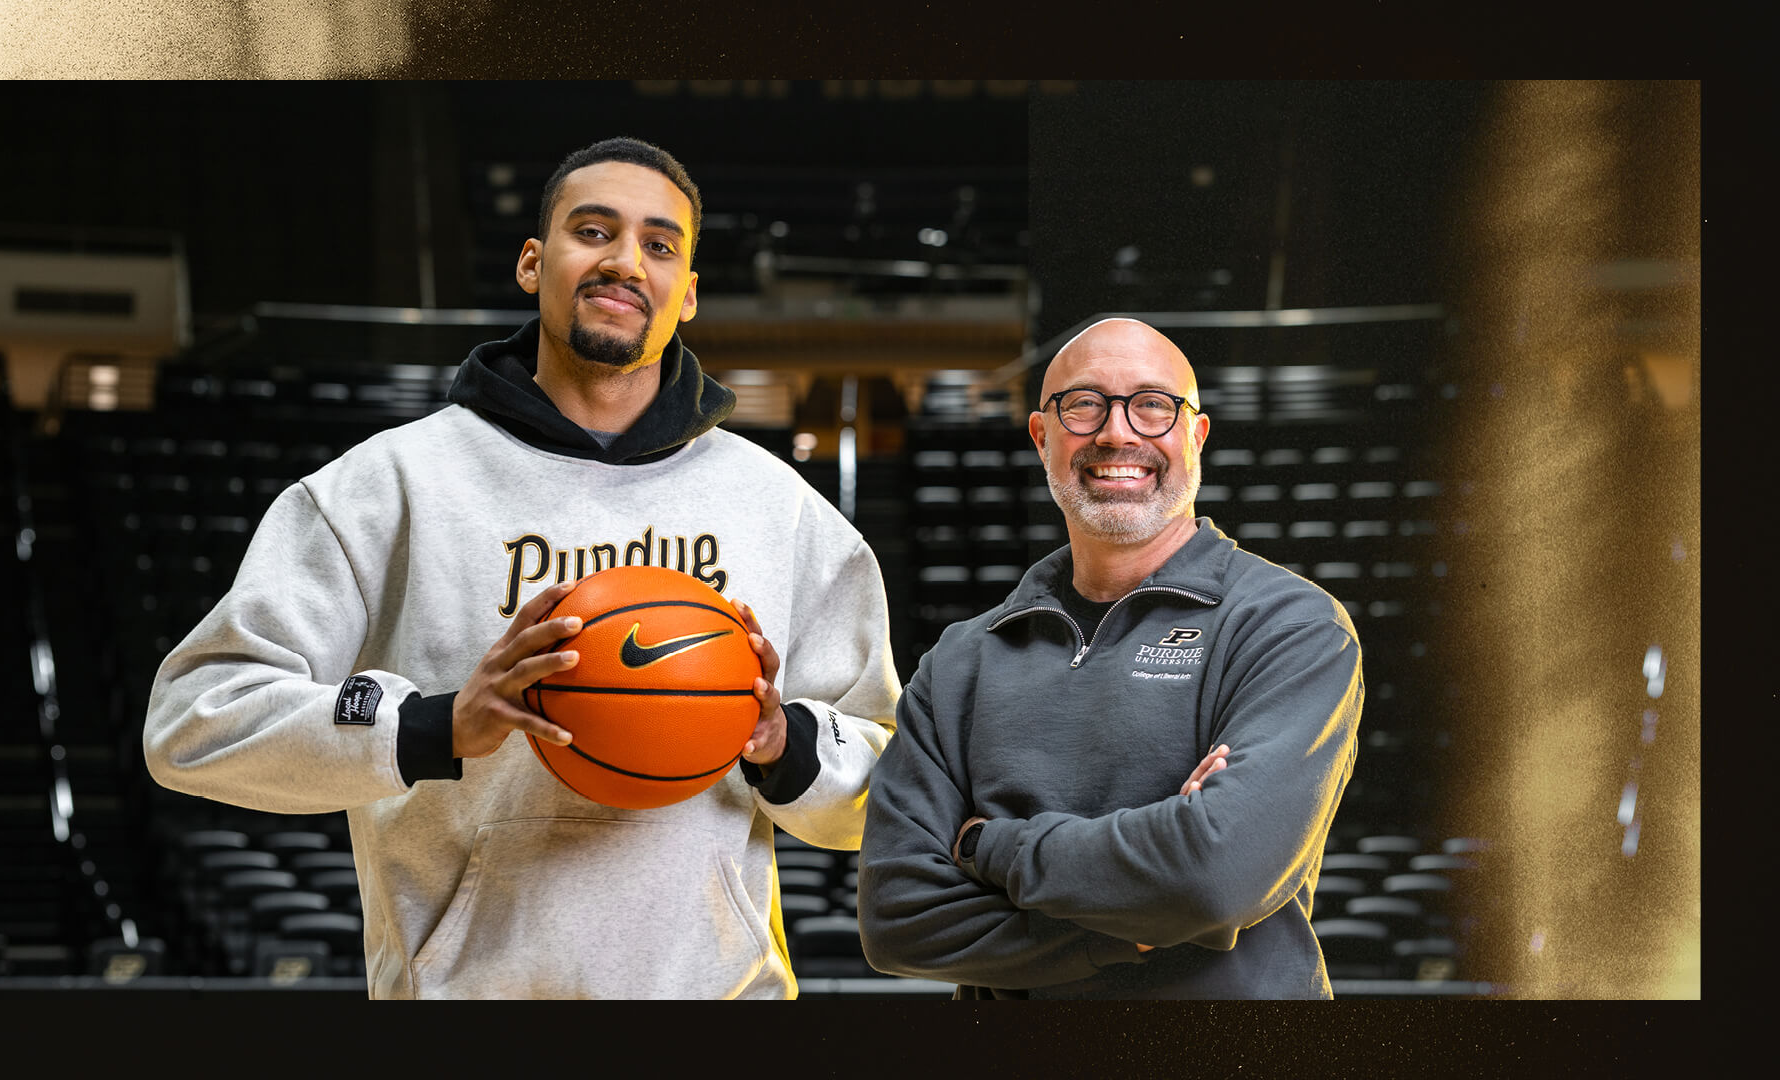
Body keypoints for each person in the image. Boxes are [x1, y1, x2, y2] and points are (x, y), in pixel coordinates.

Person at [144, 137, 899, 999]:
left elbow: (890, 784)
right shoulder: (388, 486)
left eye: (659, 245)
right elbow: (194, 720)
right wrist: (429, 727)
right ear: (533, 263)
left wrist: (785, 744)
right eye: (594, 231)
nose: (625, 262)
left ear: (687, 294)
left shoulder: (780, 509)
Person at [857, 317, 1363, 998]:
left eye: (1153, 405)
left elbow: (1212, 877)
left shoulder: (1288, 626)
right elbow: (897, 919)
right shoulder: (961, 662)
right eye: (1084, 404)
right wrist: (1131, 927)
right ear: (1042, 437)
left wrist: (987, 847)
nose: (1117, 432)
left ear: (1195, 436)